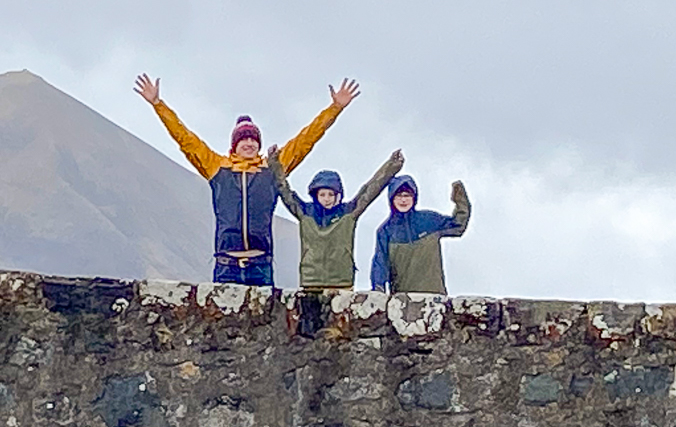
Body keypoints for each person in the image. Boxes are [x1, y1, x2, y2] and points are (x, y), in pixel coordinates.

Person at [134, 73, 360, 286]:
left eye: (254, 139)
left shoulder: (271, 168)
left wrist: (335, 108)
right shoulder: (217, 167)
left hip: (260, 264)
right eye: (244, 139)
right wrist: (158, 104)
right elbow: (185, 139)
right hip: (226, 264)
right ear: (235, 144)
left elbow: (306, 140)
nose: (250, 143)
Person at [266, 145, 404, 290]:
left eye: (331, 194)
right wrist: (274, 162)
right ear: (315, 195)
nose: (327, 199)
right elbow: (284, 189)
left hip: (342, 284)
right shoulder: (305, 212)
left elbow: (370, 190)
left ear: (338, 195)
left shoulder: (349, 212)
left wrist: (392, 165)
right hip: (311, 284)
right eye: (322, 194)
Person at [369, 175, 471, 295]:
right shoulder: (385, 230)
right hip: (402, 300)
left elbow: (458, 226)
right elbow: (380, 263)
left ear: (414, 197)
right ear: (391, 199)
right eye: (399, 195)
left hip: (435, 296)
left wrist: (460, 198)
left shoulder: (429, 220)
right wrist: (378, 290)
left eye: (407, 195)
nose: (403, 200)